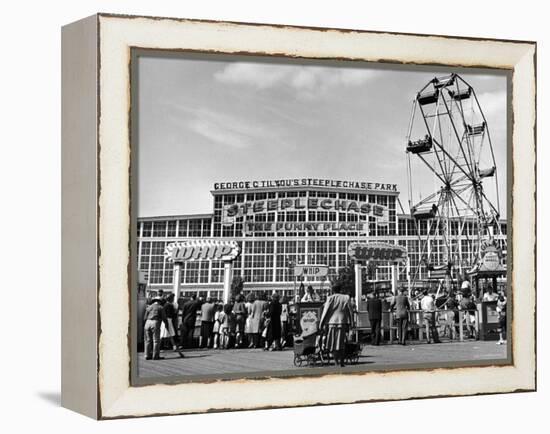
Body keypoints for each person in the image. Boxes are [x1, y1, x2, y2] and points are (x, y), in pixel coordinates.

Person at [319, 283, 354, 367]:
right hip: (342, 322)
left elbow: (325, 311)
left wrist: (321, 324)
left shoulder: (330, 298)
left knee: (332, 343)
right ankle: (341, 361)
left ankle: (336, 362)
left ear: (332, 290)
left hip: (331, 323)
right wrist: (352, 322)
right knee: (342, 342)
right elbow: (350, 311)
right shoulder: (346, 297)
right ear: (340, 289)